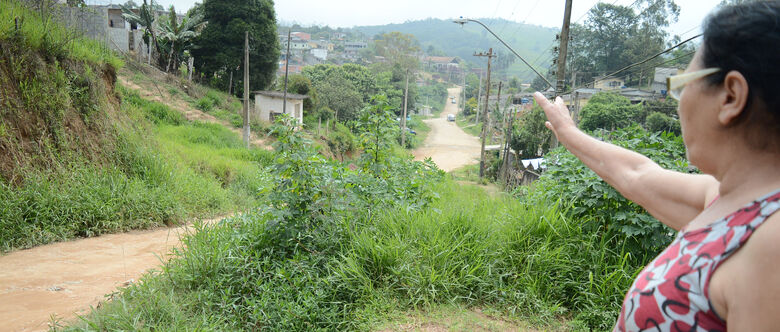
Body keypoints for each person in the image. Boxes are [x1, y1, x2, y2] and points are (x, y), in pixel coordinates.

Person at [533, 1, 780, 331]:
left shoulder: (770, 243)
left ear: (731, 96)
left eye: (682, 86)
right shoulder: (726, 199)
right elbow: (638, 175)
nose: (679, 105)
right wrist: (568, 133)